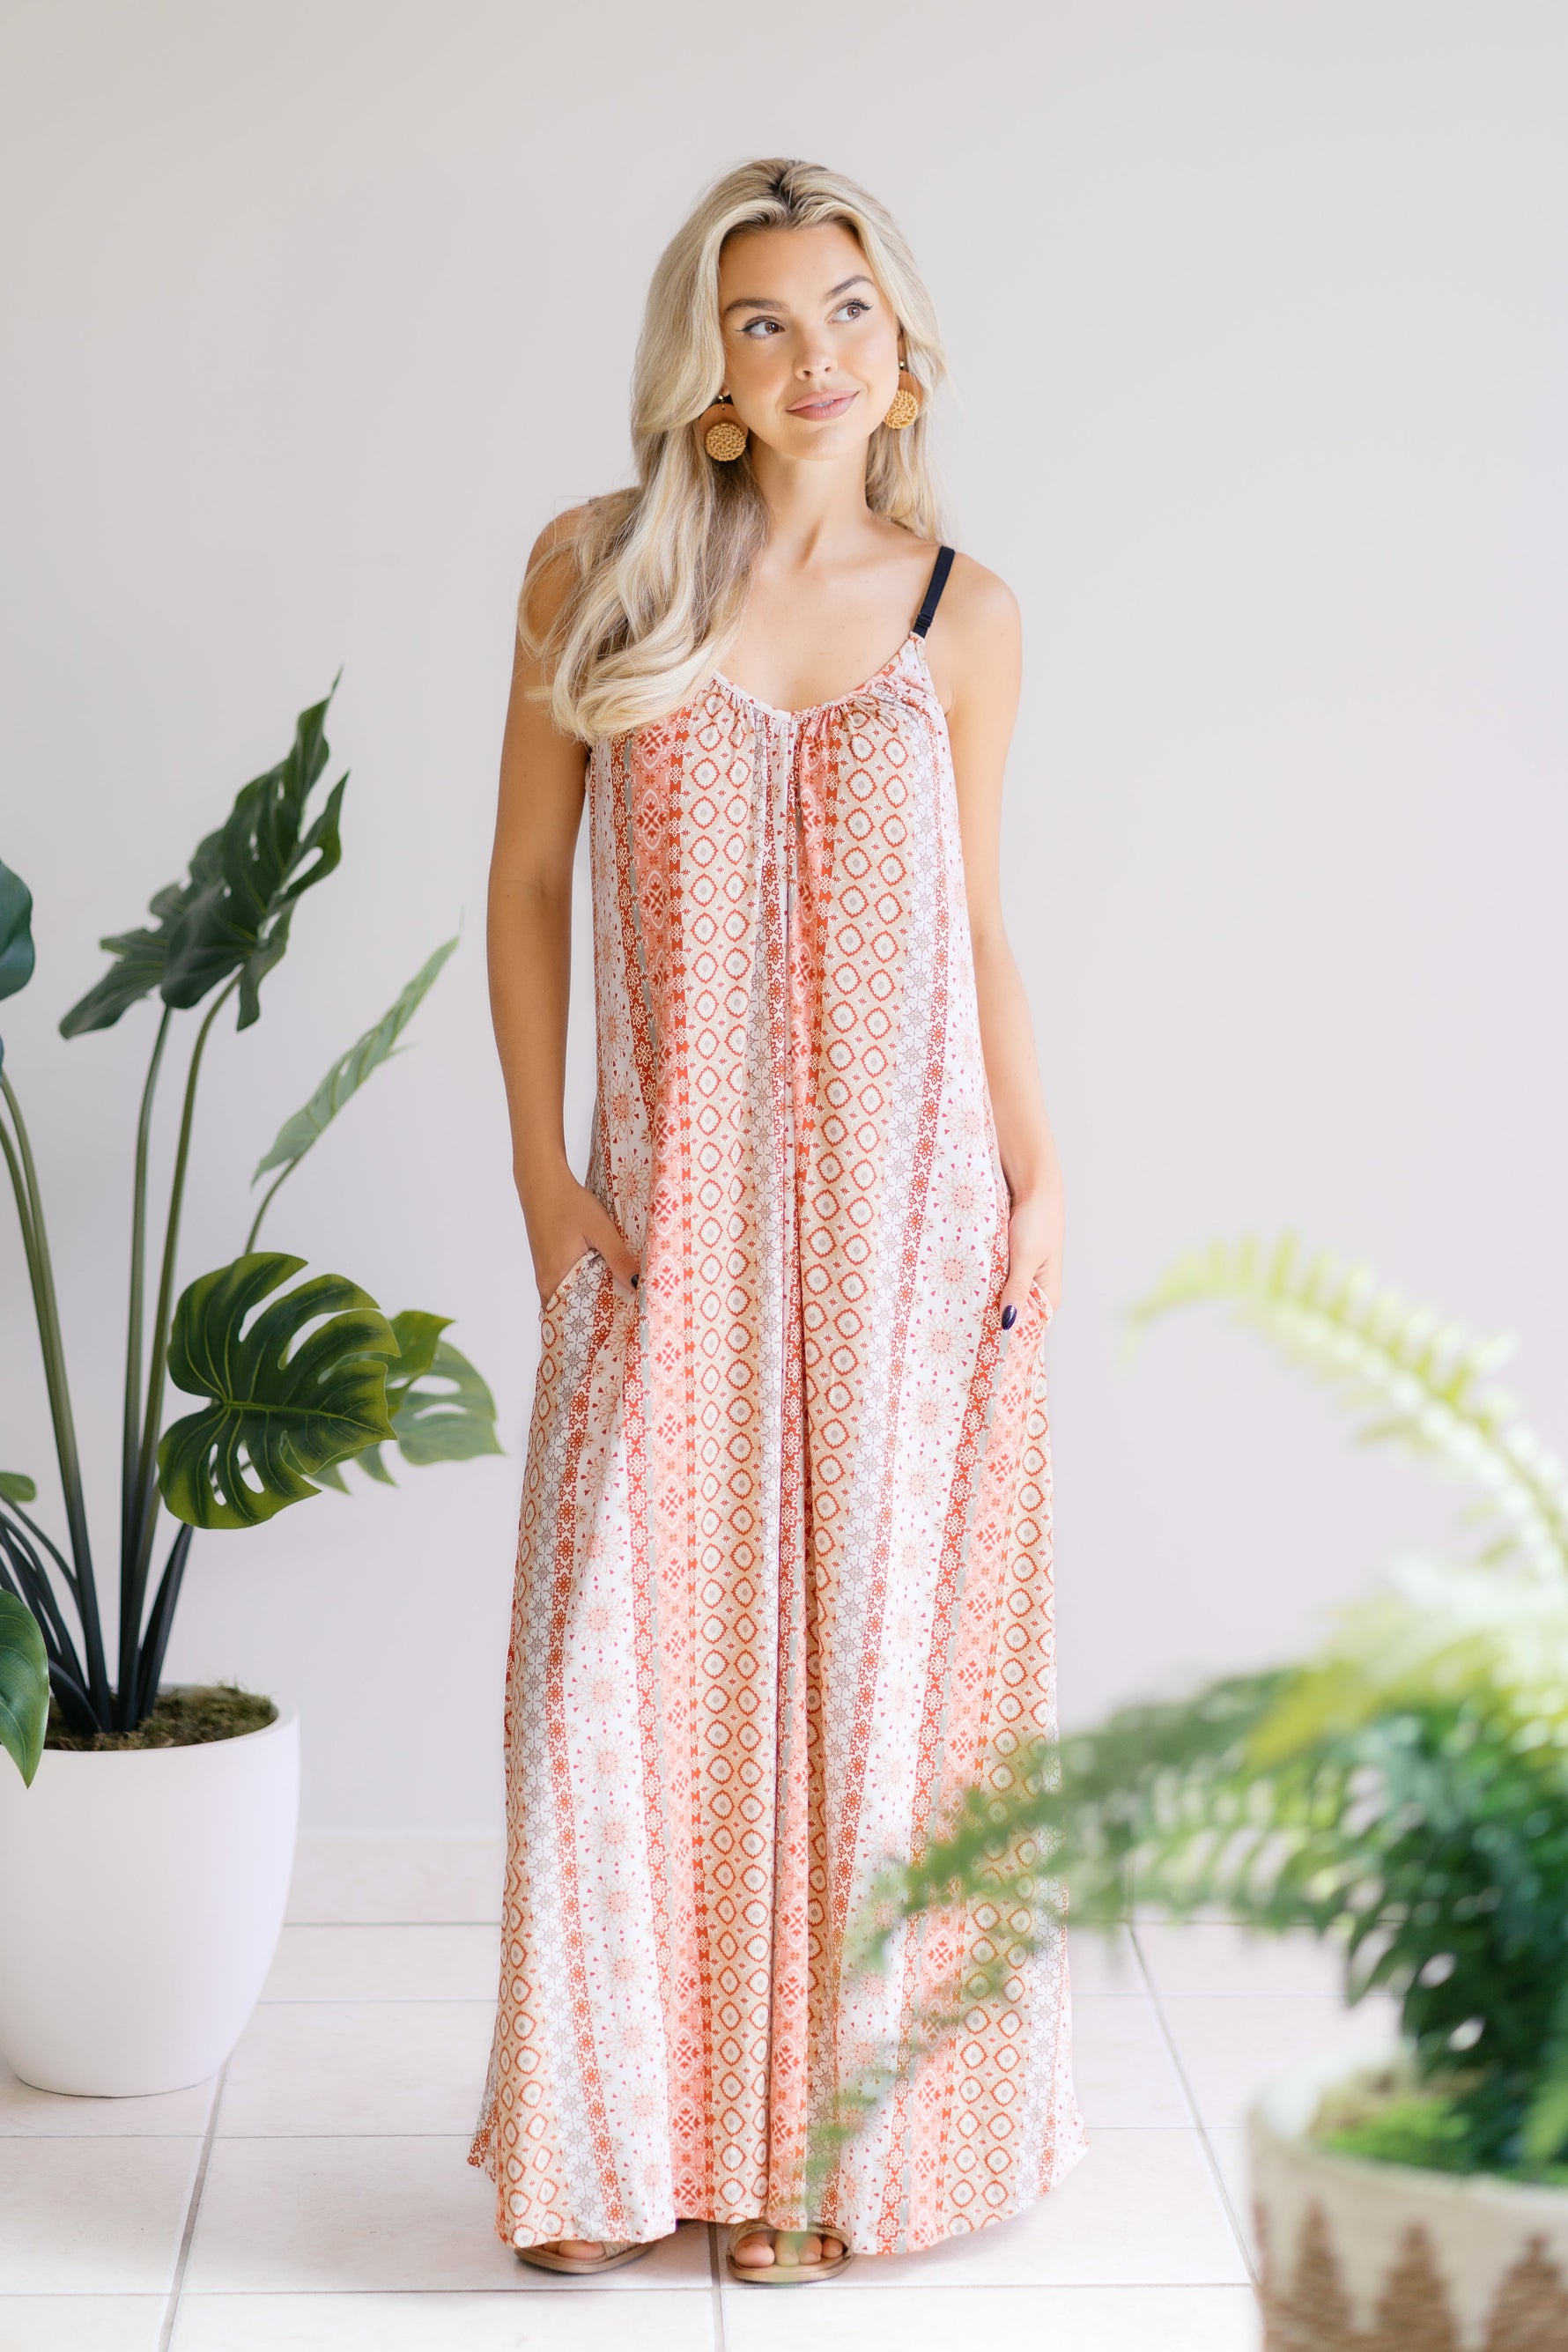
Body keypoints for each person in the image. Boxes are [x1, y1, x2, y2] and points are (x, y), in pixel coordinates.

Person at [470, 157, 1084, 2284]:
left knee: (868, 1680)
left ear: (897, 349)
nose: (810, 354)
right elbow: (523, 888)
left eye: (845, 312)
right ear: (705, 366)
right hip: (665, 1212)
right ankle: (600, 2150)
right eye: (761, 320)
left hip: (903, 1223)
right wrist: (542, 1172)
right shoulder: (594, 571)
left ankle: (823, 2161)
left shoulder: (964, 616)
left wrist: (1040, 1170)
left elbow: (980, 925)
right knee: (612, 1659)